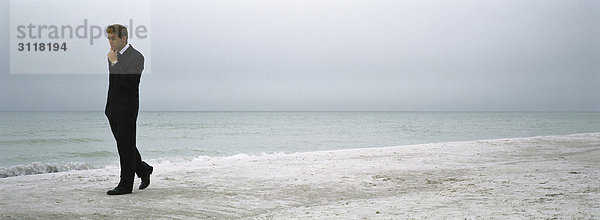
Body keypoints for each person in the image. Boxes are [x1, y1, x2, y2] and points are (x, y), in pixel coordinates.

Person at [104, 24, 153, 195]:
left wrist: (115, 62)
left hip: (127, 108)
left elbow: (128, 83)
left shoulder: (137, 57)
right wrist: (108, 107)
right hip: (112, 107)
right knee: (125, 144)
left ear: (124, 38)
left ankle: (125, 185)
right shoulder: (112, 56)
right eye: (108, 38)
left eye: (113, 38)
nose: (110, 41)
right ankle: (143, 169)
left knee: (124, 146)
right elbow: (114, 84)